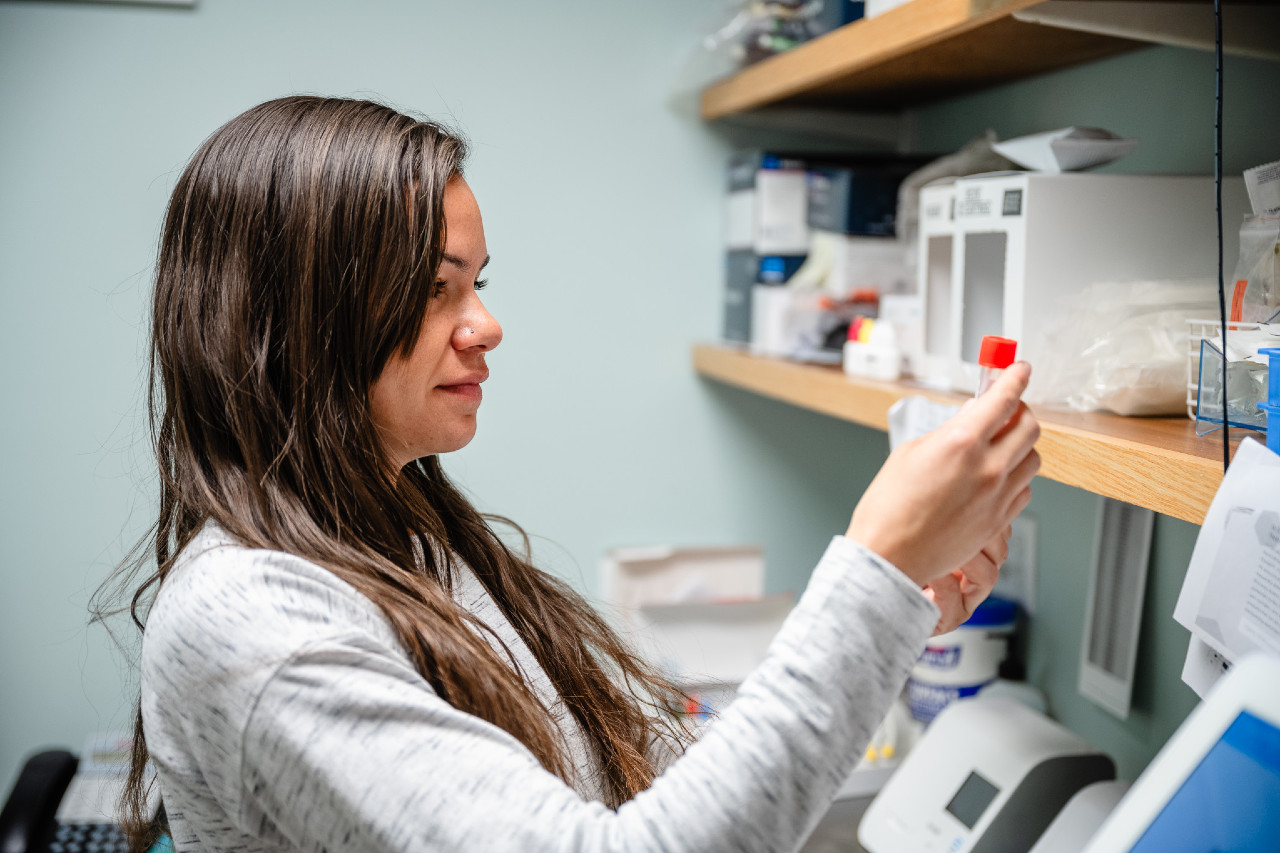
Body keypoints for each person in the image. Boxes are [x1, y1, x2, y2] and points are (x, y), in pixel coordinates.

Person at [115, 95, 1040, 853]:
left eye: (478, 281)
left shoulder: (390, 531)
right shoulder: (261, 624)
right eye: (438, 288)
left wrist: (894, 610)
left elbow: (628, 792)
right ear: (298, 318)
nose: (485, 323)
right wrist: (871, 571)